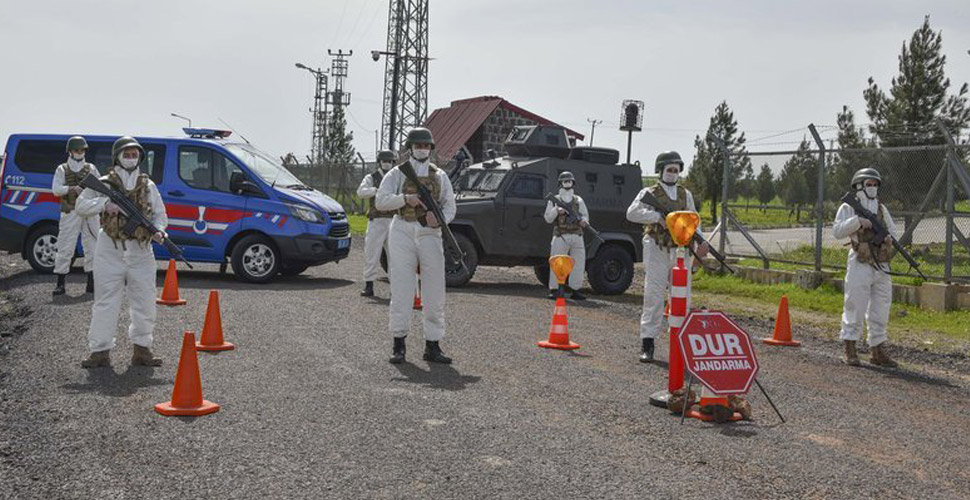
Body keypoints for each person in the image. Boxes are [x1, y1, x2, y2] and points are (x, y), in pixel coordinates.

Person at [75, 137, 168, 368]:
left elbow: (160, 215)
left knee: (145, 301)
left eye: (134, 154)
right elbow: (80, 205)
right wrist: (103, 205)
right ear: (117, 156)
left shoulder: (148, 185)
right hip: (110, 248)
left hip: (141, 250)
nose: (131, 158)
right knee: (105, 301)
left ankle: (142, 350)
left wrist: (160, 231)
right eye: (126, 154)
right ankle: (99, 351)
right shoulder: (104, 183)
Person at [375, 128, 456, 365]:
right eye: (418, 145)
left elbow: (450, 206)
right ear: (410, 148)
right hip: (402, 229)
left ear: (431, 148)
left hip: (430, 233)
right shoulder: (397, 173)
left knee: (434, 290)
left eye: (426, 146)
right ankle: (398, 344)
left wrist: (439, 219)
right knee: (402, 287)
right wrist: (405, 199)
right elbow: (381, 201)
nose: (422, 149)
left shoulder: (440, 175)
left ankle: (433, 344)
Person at [626, 151, 708, 362]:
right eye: (669, 169)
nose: (673, 173)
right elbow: (631, 213)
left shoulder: (685, 194)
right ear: (660, 170)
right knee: (653, 297)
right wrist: (657, 217)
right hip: (657, 249)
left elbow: (694, 219)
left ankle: (679, 343)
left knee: (682, 297)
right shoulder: (649, 192)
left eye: (676, 170)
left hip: (680, 250)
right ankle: (648, 342)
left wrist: (702, 241)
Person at [832, 167, 898, 367]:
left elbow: (892, 231)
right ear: (859, 185)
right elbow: (837, 231)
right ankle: (850, 347)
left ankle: (877, 350)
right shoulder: (848, 207)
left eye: (875, 184)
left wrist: (887, 238)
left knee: (881, 307)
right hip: (859, 262)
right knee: (855, 305)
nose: (873, 187)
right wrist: (857, 222)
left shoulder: (881, 208)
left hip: (881, 264)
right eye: (869, 184)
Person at [51, 136, 100, 296]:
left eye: (82, 150)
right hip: (70, 210)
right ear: (70, 151)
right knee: (65, 245)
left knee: (92, 246)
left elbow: (99, 187)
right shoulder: (62, 169)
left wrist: (89, 191)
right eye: (76, 150)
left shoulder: (91, 168)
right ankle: (60, 283)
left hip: (89, 212)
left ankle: (91, 283)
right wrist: (71, 189)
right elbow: (56, 189)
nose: (80, 152)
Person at [357, 150, 398, 297]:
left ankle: (395, 288)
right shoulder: (371, 177)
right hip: (376, 220)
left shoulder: (396, 178)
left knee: (394, 256)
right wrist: (376, 190)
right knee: (371, 253)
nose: (387, 164)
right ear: (379, 162)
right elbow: (361, 192)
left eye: (390, 161)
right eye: (384, 161)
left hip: (393, 221)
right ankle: (369, 285)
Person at [543, 171, 589, 300]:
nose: (567, 183)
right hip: (560, 235)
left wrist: (584, 221)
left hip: (577, 235)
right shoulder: (555, 200)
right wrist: (556, 210)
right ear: (560, 183)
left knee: (578, 263)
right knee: (557, 262)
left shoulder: (578, 200)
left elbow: (585, 215)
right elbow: (548, 218)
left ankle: (575, 289)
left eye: (569, 181)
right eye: (565, 181)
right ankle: (555, 289)